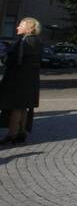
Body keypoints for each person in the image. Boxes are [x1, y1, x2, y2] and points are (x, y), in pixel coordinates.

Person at [0, 17, 42, 145]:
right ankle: (21, 132)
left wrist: (4, 58)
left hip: (17, 80)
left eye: (20, 25)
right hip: (30, 80)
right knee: (24, 107)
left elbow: (11, 61)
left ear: (29, 28)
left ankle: (12, 134)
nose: (17, 27)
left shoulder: (22, 42)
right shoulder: (38, 41)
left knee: (15, 108)